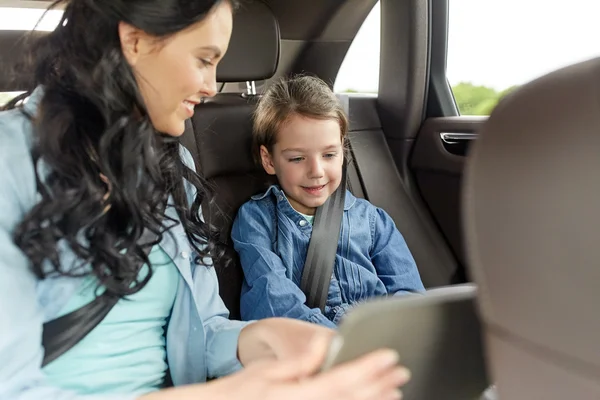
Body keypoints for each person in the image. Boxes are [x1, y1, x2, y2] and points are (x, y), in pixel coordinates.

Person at [0, 1, 411, 399]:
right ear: (136, 42)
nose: (211, 86)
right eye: (203, 59)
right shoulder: (9, 160)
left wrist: (259, 338)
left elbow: (203, 326)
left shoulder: (171, 168)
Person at [231, 75, 425, 328]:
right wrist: (338, 344)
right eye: (297, 159)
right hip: (307, 346)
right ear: (269, 160)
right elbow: (272, 300)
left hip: (379, 341)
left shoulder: (373, 221)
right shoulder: (257, 220)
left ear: (342, 151)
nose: (317, 171)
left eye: (329, 154)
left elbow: (409, 296)